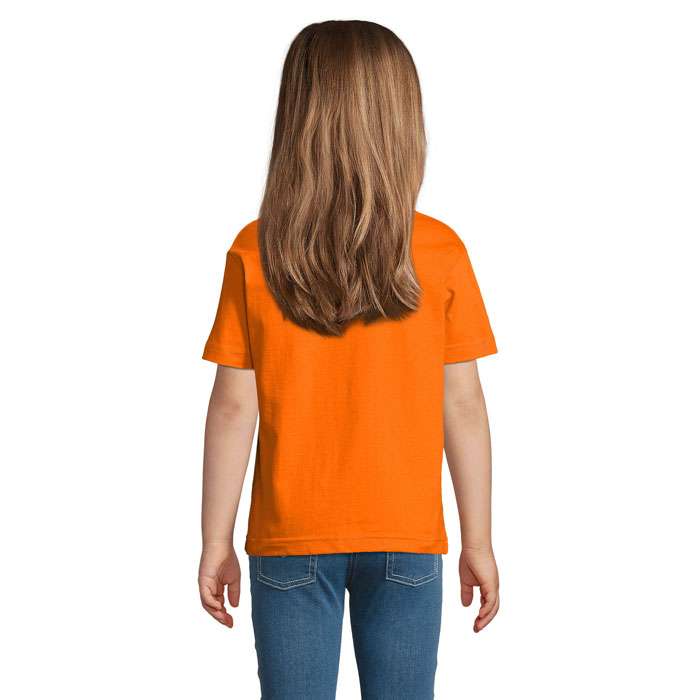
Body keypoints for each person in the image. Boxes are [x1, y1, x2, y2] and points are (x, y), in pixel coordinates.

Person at [199, 20, 499, 699]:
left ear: (296, 118)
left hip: (289, 538)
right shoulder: (440, 251)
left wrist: (216, 538)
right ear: (403, 120)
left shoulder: (256, 250)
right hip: (407, 537)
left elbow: (233, 407)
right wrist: (477, 540)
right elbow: (463, 405)